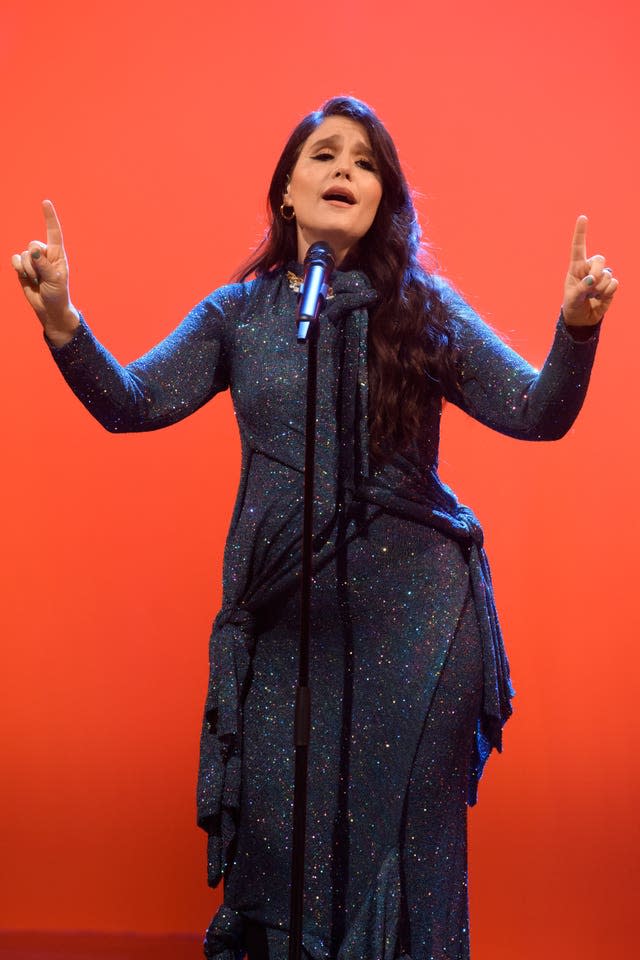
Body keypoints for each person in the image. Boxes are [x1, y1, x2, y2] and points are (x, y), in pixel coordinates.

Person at [12, 96, 617, 960]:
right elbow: (133, 403)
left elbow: (537, 411)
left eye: (365, 162)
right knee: (285, 862)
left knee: (399, 877)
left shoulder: (421, 309)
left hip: (419, 634)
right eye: (325, 155)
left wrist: (577, 329)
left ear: (383, 198)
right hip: (289, 635)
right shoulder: (240, 316)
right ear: (286, 192)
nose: (344, 170)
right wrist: (66, 327)